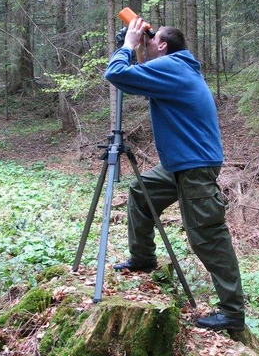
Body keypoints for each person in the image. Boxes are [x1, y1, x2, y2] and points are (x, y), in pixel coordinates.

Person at [104, 17, 245, 332]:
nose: (147, 40)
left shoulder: (172, 68)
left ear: (164, 45)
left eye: (152, 39)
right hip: (180, 164)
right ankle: (142, 258)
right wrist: (140, 49)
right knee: (142, 193)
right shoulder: (176, 68)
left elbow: (116, 74)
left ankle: (232, 313)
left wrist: (128, 45)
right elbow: (140, 79)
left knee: (207, 235)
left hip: (194, 166)